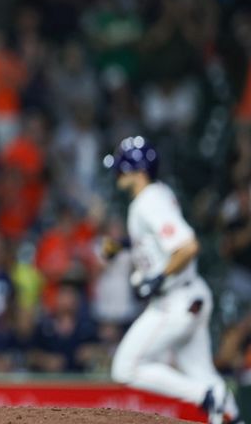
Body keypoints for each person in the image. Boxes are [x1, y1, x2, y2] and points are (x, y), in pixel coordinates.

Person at [105, 136, 244, 424]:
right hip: (190, 297)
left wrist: (157, 277)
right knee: (204, 375)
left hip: (174, 301)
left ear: (137, 170)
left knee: (125, 368)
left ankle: (204, 395)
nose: (118, 173)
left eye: (122, 167)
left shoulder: (148, 201)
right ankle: (230, 413)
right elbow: (157, 239)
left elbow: (188, 246)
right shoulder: (155, 195)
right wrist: (126, 244)